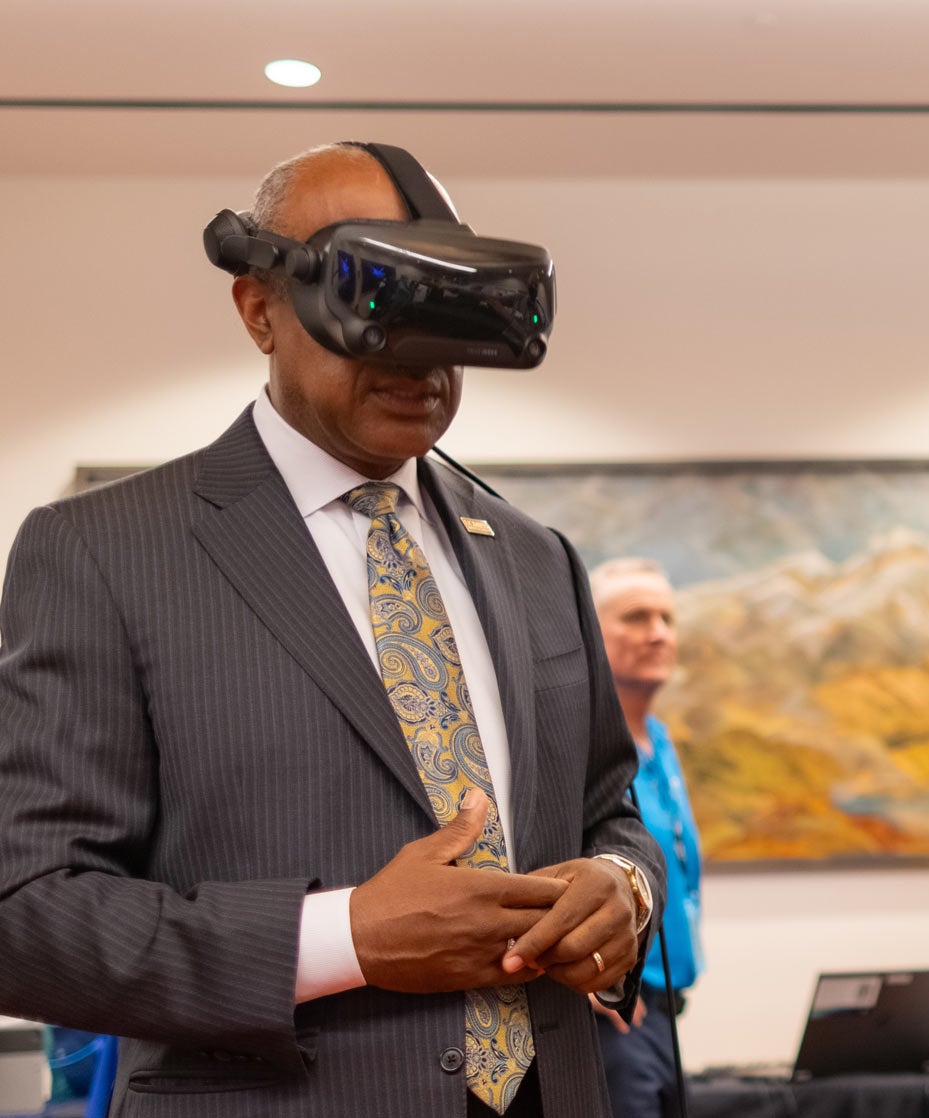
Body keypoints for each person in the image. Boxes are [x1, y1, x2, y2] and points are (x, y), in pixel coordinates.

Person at [0, 142, 664, 1118]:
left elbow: (612, 811)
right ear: (259, 309)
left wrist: (622, 885)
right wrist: (345, 937)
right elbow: (25, 912)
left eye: (448, 314)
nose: (419, 359)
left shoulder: (536, 557)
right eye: (379, 303)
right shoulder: (103, 553)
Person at [588, 558, 704, 1118]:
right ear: (589, 632)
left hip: (664, 1006)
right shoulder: (584, 747)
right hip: (614, 1012)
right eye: (635, 617)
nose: (657, 633)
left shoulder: (659, 739)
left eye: (666, 618)